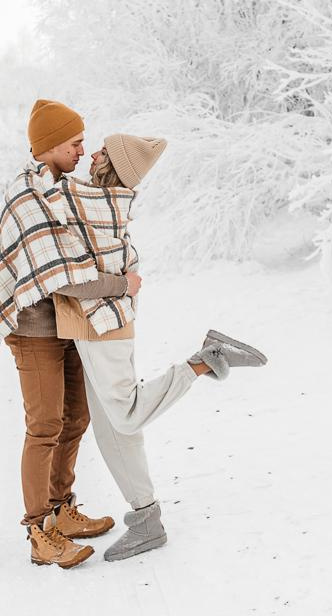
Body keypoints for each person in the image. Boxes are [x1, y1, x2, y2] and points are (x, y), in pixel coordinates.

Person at [51, 133, 268, 561]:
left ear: (110, 165)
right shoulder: (107, 199)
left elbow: (48, 192)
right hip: (101, 324)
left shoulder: (92, 199)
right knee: (113, 429)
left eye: (101, 151)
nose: (90, 153)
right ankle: (146, 519)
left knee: (127, 415)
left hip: (101, 327)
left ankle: (203, 362)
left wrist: (43, 161)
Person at [0, 99, 132, 569]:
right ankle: (39, 530)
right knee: (44, 426)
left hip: (67, 323)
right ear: (48, 147)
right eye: (75, 143)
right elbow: (62, 274)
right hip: (34, 330)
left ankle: (62, 509)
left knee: (77, 418)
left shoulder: (65, 190)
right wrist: (121, 284)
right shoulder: (27, 197)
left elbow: (88, 244)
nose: (83, 151)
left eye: (84, 142)